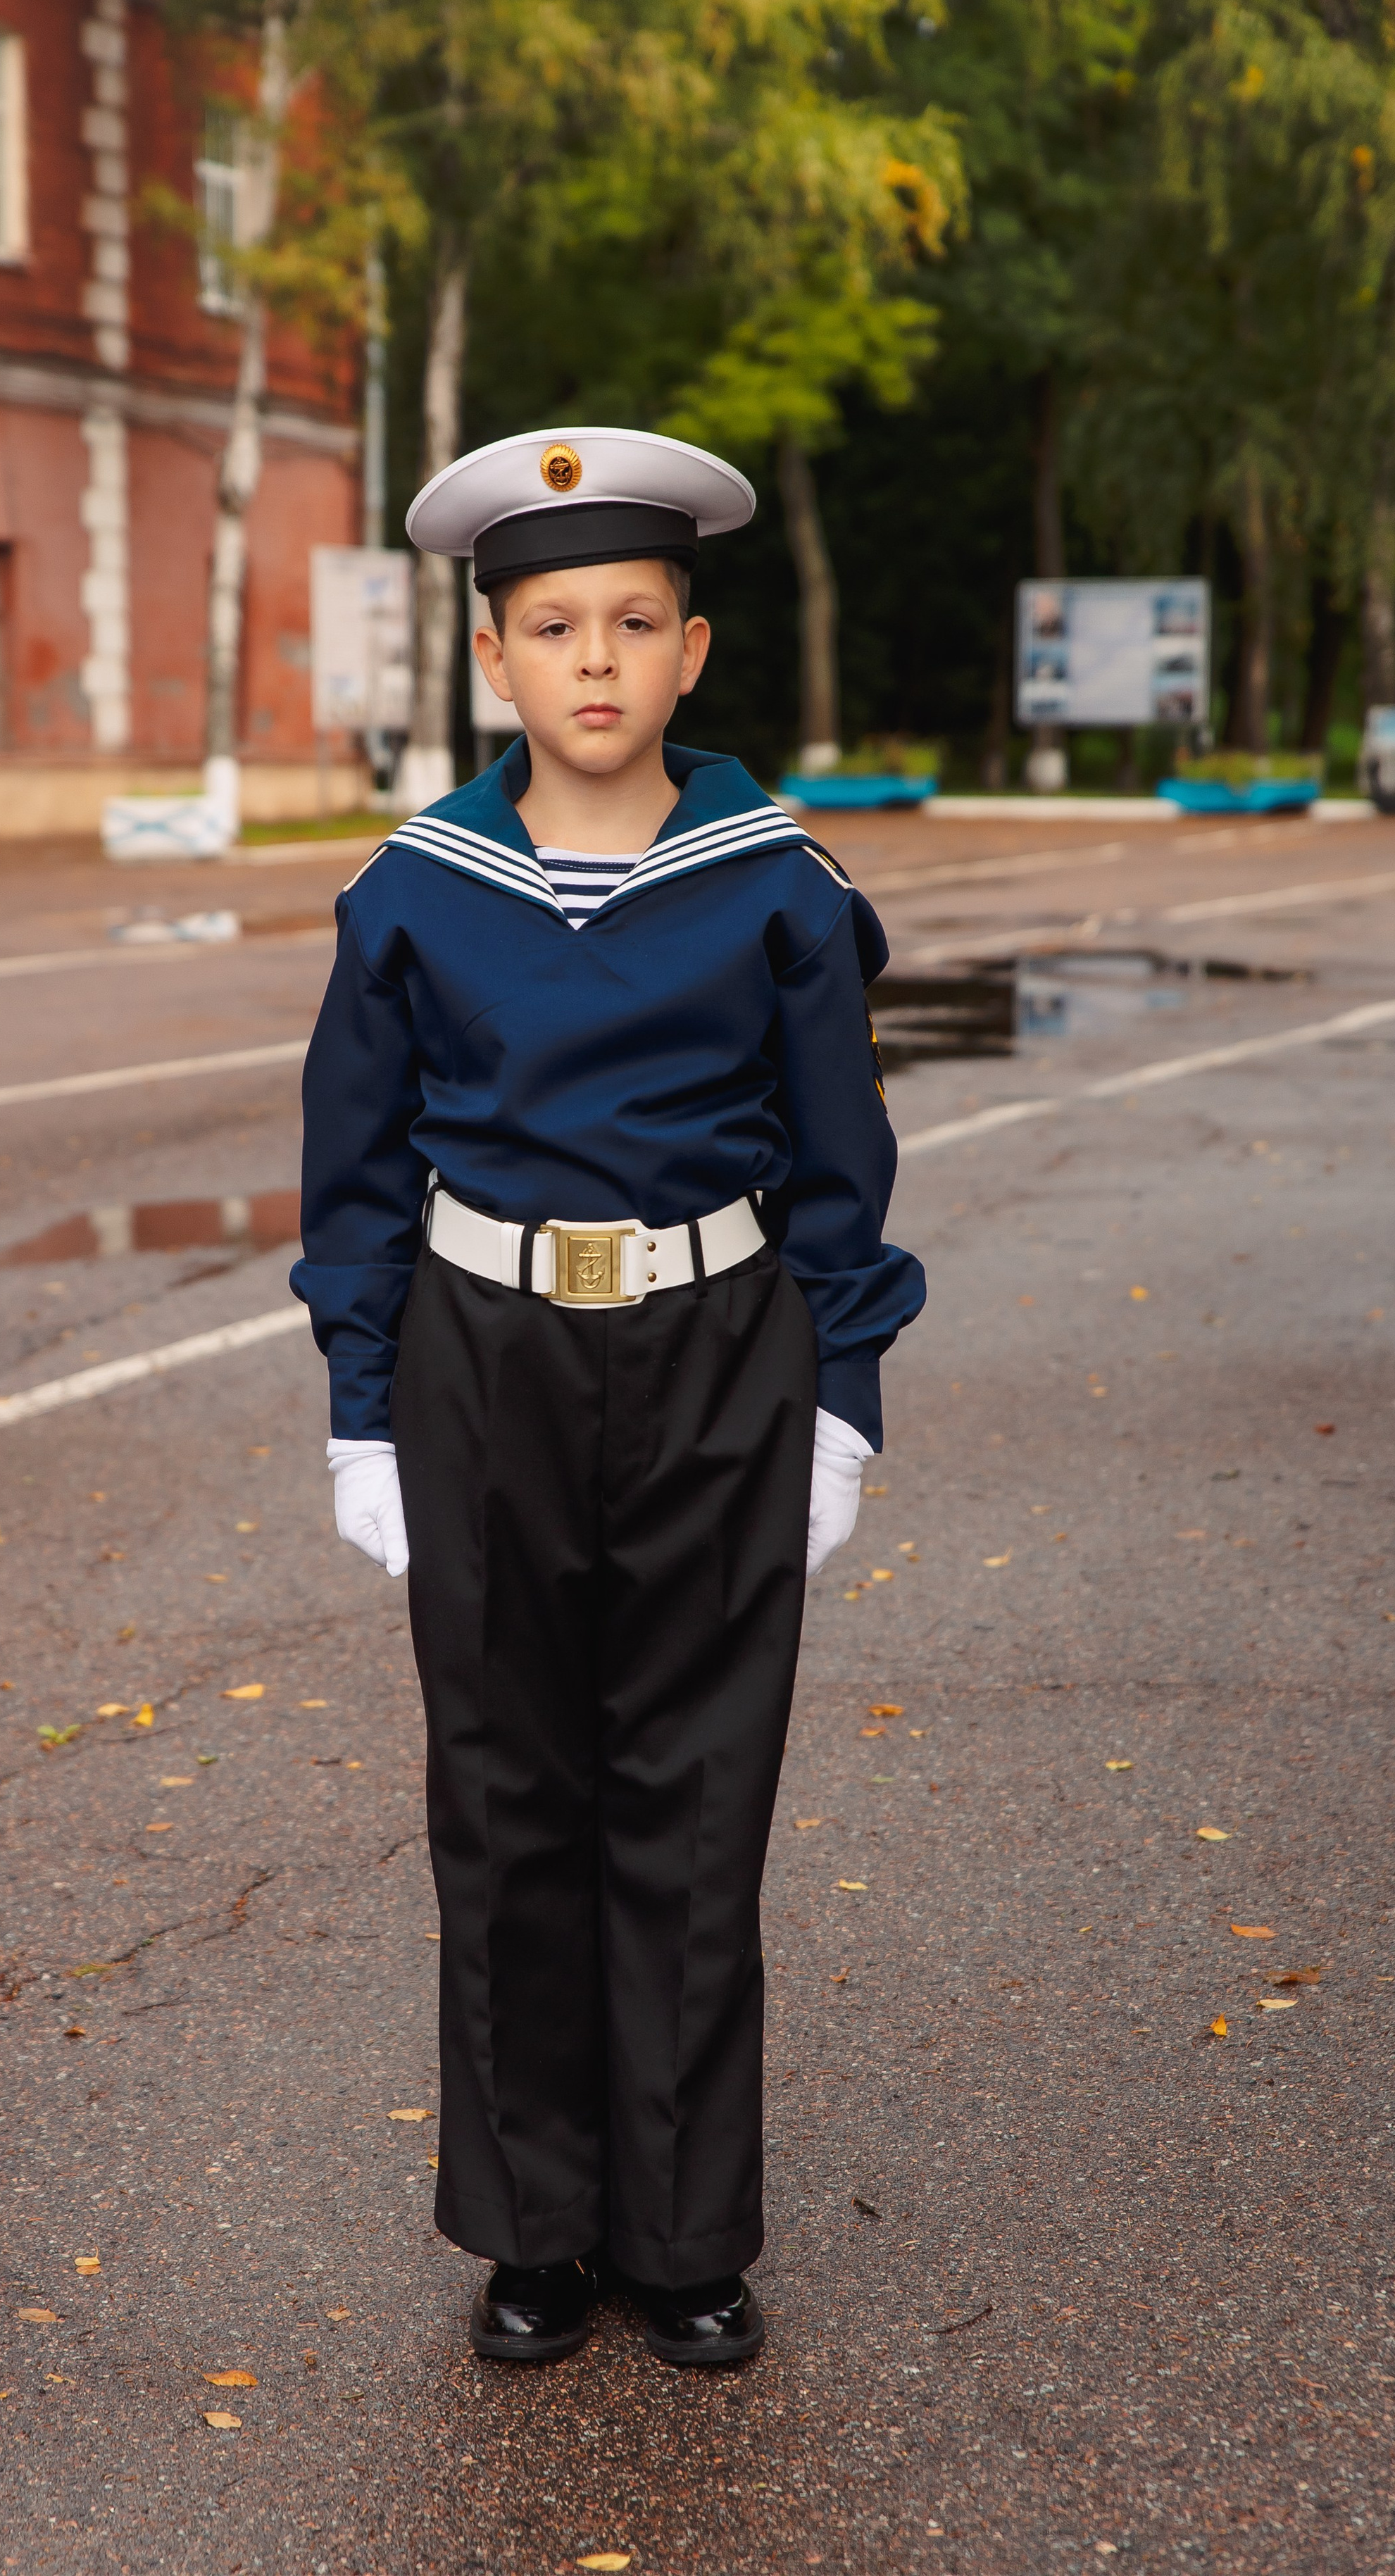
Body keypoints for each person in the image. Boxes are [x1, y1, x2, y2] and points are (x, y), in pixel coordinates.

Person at [292, 427, 924, 2368]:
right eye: (551, 624)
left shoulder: (777, 888)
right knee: (507, 1798)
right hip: (489, 1362)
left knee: (695, 1793)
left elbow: (839, 1158)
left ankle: (684, 2229)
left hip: (720, 1353)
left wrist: (842, 1398)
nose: (593, 661)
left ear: (691, 653)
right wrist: (364, 1400)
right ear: (493, 660)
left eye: (632, 624)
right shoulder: (418, 892)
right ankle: (535, 2227)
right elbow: (355, 1164)